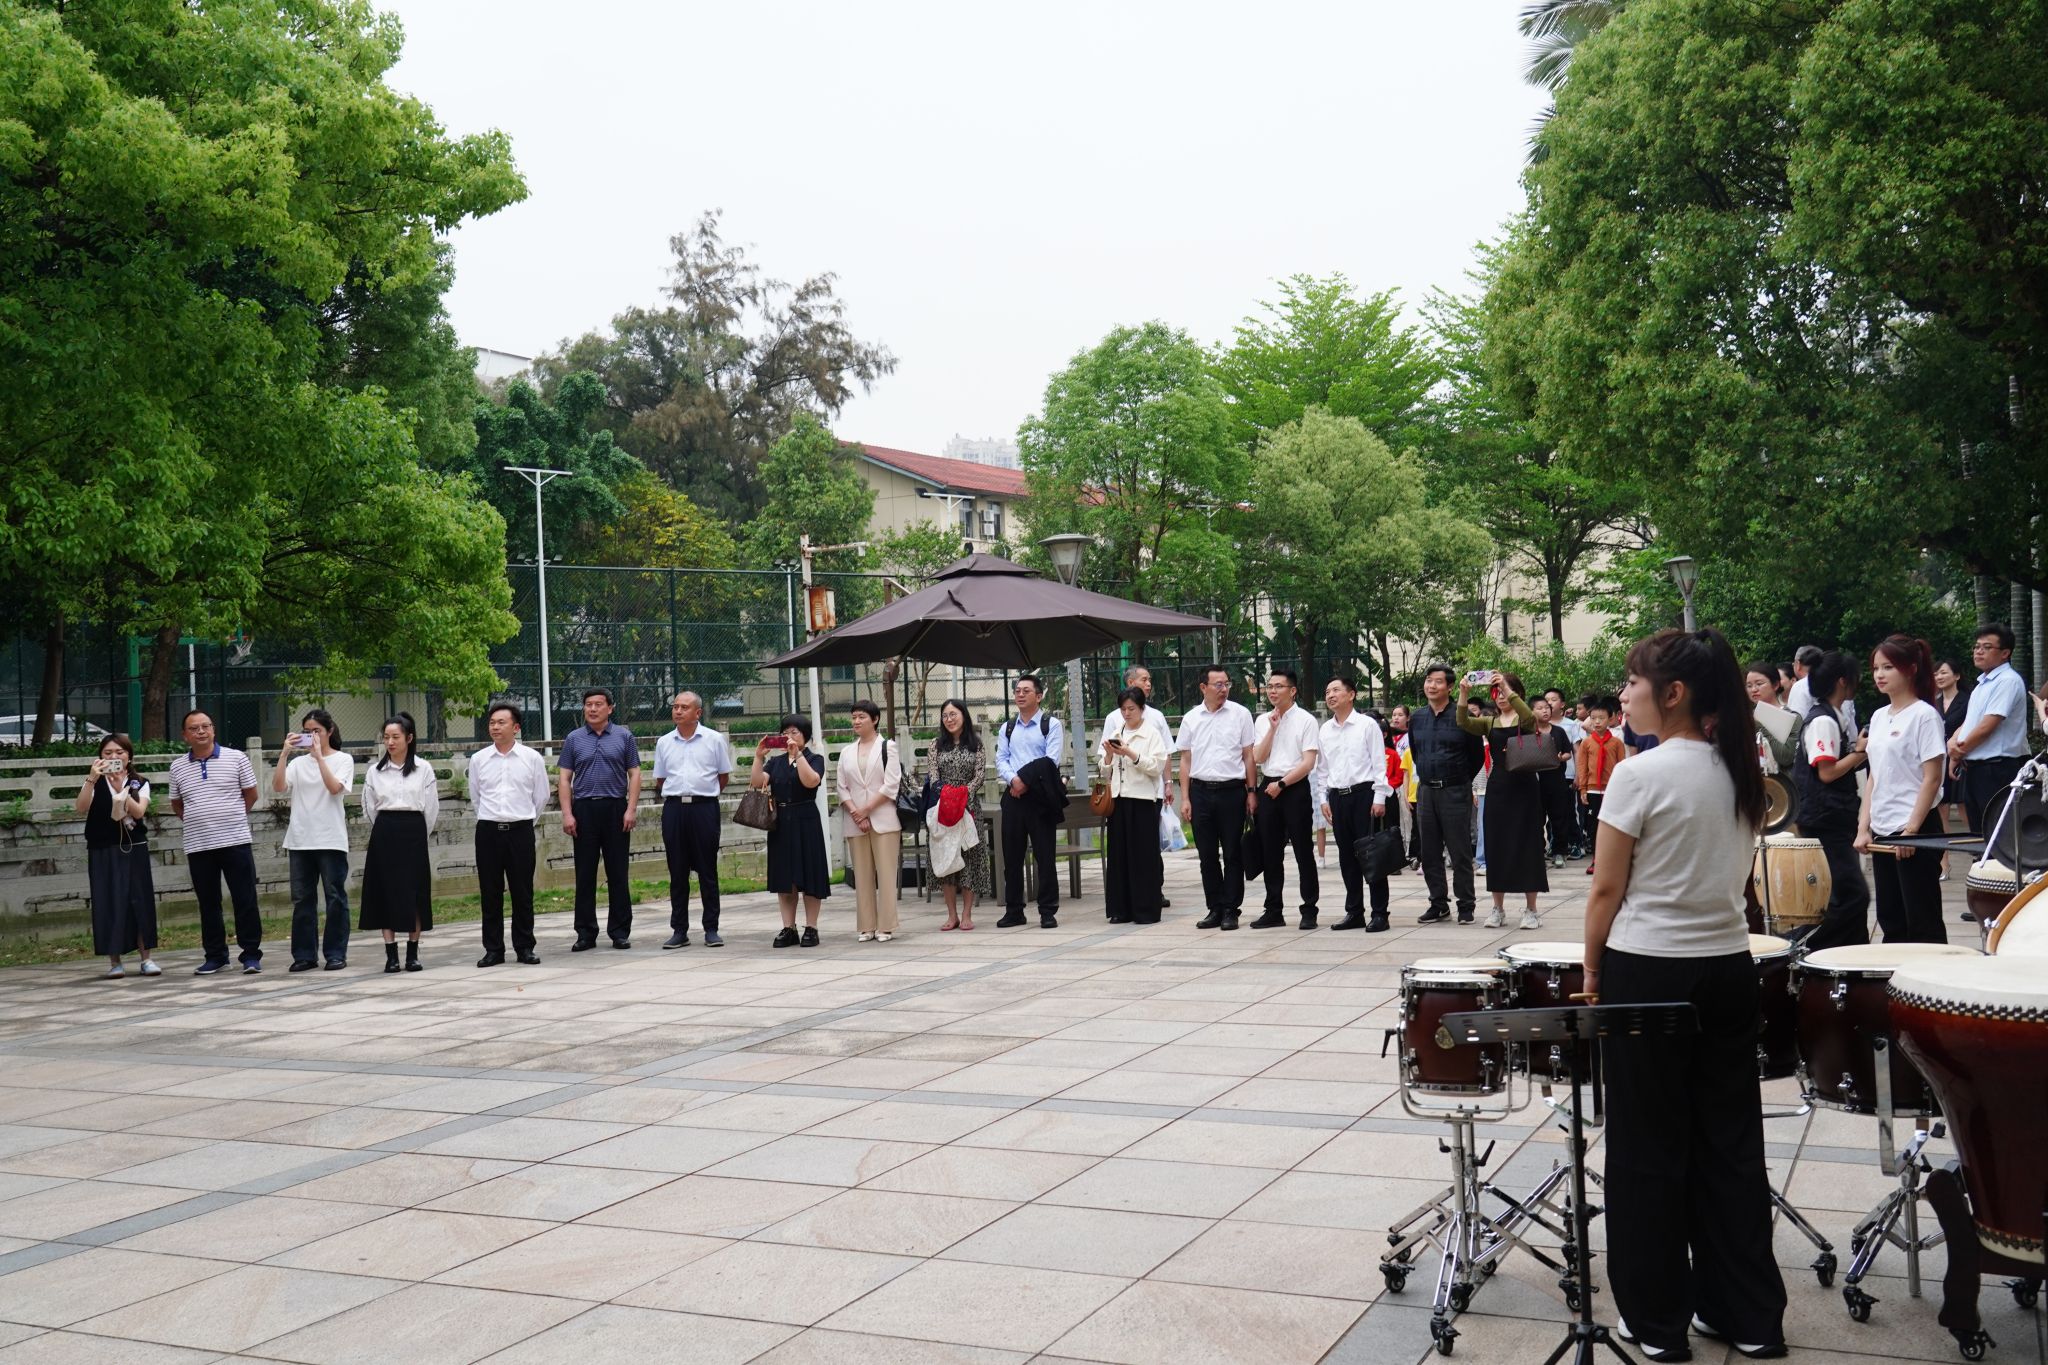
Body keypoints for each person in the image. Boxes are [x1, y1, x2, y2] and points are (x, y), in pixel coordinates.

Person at [1582, 626, 1787, 1361]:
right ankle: (1749, 1317)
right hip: (1728, 967)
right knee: (1729, 1142)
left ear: (1672, 694)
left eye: (1633, 682)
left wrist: (1592, 972)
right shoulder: (1743, 769)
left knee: (1647, 1146)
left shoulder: (1639, 773)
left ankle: (1657, 1321)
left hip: (1649, 971)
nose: (1624, 694)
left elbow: (1606, 889)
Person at [1857, 636, 1949, 944]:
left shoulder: (1925, 715)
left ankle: (1931, 974)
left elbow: (1932, 779)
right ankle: (1893, 974)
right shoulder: (1878, 717)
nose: (1879, 675)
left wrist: (1911, 831)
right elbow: (1875, 776)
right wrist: (1864, 827)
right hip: (1883, 830)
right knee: (1891, 919)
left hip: (1915, 829)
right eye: (1876, 668)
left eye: (1888, 667)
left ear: (1910, 669)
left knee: (1922, 921)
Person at [167, 710, 263, 974]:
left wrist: (229, 817)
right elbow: (177, 804)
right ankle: (216, 956)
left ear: (213, 729)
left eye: (205, 726)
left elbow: (251, 794)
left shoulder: (237, 758)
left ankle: (251, 955)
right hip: (198, 844)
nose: (201, 731)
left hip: (235, 840)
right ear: (185, 735)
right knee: (208, 903)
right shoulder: (177, 767)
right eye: (194, 728)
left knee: (245, 899)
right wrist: (200, 820)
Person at [1459, 671, 1548, 930]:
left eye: (1505, 691)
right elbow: (1463, 722)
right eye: (1496, 692)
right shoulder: (1490, 722)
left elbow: (1529, 717)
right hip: (1498, 786)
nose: (1500, 696)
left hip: (1525, 787)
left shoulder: (1524, 718)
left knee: (1529, 846)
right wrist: (1463, 693)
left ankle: (1532, 910)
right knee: (1496, 846)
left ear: (1517, 693)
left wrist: (1507, 688)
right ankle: (1497, 908)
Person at [1794, 651, 1871, 952]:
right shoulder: (1823, 721)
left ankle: (1852, 957)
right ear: (1842, 681)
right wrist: (1859, 753)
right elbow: (1826, 772)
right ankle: (1805, 948)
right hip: (1825, 818)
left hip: (1831, 816)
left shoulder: (1831, 716)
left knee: (1846, 894)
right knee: (1852, 895)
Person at [558, 687, 642, 951]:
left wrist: (631, 809)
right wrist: (567, 813)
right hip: (584, 810)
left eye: (598, 704)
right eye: (588, 704)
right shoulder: (574, 739)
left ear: (610, 708)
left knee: (618, 872)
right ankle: (585, 933)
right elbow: (564, 778)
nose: (592, 709)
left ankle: (619, 931)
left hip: (616, 809)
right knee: (584, 874)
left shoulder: (624, 736)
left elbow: (635, 773)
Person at [272, 707, 353, 972]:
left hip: (330, 839)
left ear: (329, 731)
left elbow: (334, 788)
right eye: (306, 732)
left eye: (316, 731)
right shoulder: (297, 764)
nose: (311, 736)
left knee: (335, 897)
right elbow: (278, 787)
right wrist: (284, 753)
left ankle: (335, 953)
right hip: (300, 839)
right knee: (302, 900)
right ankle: (304, 955)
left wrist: (319, 758)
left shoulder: (343, 759)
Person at [470, 700, 550, 967]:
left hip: (520, 831)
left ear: (515, 727)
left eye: (501, 722)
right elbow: (476, 797)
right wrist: (494, 819)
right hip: (488, 832)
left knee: (522, 892)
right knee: (489, 892)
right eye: (492, 722)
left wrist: (523, 820)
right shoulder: (479, 759)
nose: (495, 727)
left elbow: (541, 796)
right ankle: (493, 949)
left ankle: (525, 947)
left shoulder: (531, 758)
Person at [1177, 665, 1257, 930]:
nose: (1224, 689)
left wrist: (1251, 792)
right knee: (1207, 854)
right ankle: (1215, 907)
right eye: (1218, 685)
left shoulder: (1240, 714)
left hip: (1232, 791)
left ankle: (1231, 909)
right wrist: (1185, 798)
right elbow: (1185, 760)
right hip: (1200, 792)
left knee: (1233, 851)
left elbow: (1248, 756)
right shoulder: (1191, 718)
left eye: (1227, 684)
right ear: (1203, 687)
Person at [358, 713, 437, 972]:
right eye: (386, 737)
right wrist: (385, 828)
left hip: (414, 831)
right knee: (385, 891)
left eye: (396, 737)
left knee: (414, 891)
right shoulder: (375, 771)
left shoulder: (423, 768)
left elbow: (431, 808)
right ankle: (391, 955)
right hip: (385, 832)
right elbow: (369, 807)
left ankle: (412, 953)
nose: (390, 742)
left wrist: (419, 834)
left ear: (409, 738)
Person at [74, 734, 158, 978]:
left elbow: (139, 812)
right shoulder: (95, 782)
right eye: (108, 753)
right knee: (108, 901)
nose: (114, 757)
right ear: (100, 757)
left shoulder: (138, 782)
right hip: (102, 848)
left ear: (129, 756)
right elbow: (81, 807)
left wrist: (122, 789)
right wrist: (92, 778)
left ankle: (146, 959)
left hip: (134, 847)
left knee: (139, 900)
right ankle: (115, 962)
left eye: (119, 752)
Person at [652, 691, 731, 949]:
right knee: (677, 871)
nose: (678, 711)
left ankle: (711, 929)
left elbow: (723, 776)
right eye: (675, 706)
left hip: (704, 808)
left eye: (684, 707)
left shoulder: (714, 740)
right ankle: (679, 930)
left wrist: (703, 793)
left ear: (698, 712)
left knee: (707, 870)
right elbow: (660, 779)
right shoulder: (664, 742)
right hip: (674, 808)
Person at [1315, 676, 1393, 931]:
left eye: (1336, 690)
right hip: (1337, 797)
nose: (1330, 695)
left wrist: (1379, 797)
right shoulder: (1325, 730)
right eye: (1327, 691)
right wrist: (1323, 799)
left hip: (1364, 795)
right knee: (1347, 858)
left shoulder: (1366, 725)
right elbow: (1322, 769)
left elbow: (1379, 763)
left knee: (1372, 855)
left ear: (1351, 695)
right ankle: (1354, 912)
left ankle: (1379, 913)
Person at [1411, 666, 1485, 924]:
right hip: (1426, 791)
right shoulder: (1417, 718)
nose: (1431, 686)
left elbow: (1476, 756)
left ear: (1450, 687)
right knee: (1429, 851)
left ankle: (1466, 905)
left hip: (1455, 790)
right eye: (1428, 681)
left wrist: (1460, 780)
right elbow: (1416, 752)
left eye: (1438, 682)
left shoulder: (1462, 716)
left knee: (1459, 850)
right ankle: (1438, 903)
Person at [1250, 669, 1321, 929]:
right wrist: (1272, 728)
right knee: (1270, 851)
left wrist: (1282, 784)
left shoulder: (1306, 720)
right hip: (1268, 787)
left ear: (1292, 691)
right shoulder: (1262, 720)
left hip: (1294, 788)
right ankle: (1273, 910)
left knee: (1303, 850)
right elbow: (1258, 757)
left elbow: (1308, 762)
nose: (1272, 691)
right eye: (1270, 686)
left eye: (1279, 686)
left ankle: (1309, 909)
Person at [995, 676, 1065, 929]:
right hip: (1013, 797)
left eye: (1026, 690)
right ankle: (1014, 910)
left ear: (1039, 695)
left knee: (1045, 856)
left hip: (1040, 798)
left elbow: (1050, 760)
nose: (1020, 695)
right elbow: (1001, 759)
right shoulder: (1007, 727)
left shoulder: (1051, 725)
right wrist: (1014, 780)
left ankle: (1047, 910)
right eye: (1017, 691)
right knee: (1012, 857)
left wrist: (1024, 780)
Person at [752, 714, 829, 946]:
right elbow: (758, 782)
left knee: (810, 874)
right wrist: (758, 757)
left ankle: (811, 927)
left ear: (805, 735)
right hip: (781, 822)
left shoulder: (814, 758)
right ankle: (789, 927)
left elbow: (811, 781)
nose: (789, 736)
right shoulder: (775, 762)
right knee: (785, 877)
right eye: (785, 732)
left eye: (794, 732)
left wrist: (798, 756)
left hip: (806, 820)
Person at [1949, 622, 2030, 836]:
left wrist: (1959, 750)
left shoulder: (2008, 681)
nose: (1979, 651)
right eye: (1976, 647)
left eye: (1986, 647)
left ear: (2005, 653)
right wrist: (1954, 742)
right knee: (1979, 834)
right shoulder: (1982, 683)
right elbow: (1971, 721)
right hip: (1975, 768)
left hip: (1997, 769)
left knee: (1998, 835)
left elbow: (1987, 726)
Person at [1100, 686, 1168, 924]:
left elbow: (1156, 767)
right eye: (1123, 709)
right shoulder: (1116, 731)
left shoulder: (1151, 734)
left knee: (1143, 857)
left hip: (1142, 800)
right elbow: (1104, 771)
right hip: (1118, 800)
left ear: (1141, 709)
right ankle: (1121, 909)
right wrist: (1109, 756)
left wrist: (1130, 753)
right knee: (1119, 856)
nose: (1127, 714)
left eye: (1131, 709)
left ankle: (1145, 910)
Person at [838, 699, 903, 942]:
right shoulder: (846, 752)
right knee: (862, 876)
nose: (856, 721)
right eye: (854, 717)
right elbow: (841, 787)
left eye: (861, 717)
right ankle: (866, 926)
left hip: (883, 819)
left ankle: (886, 925)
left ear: (874, 719)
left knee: (886, 875)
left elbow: (891, 784)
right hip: (855, 820)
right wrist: (857, 813)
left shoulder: (888, 747)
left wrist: (866, 810)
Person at [925, 699, 990, 930]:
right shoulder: (936, 745)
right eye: (945, 715)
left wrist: (962, 795)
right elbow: (933, 776)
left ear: (963, 715)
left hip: (968, 807)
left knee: (969, 858)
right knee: (946, 858)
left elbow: (979, 776)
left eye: (953, 714)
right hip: (943, 808)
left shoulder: (976, 744)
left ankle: (967, 914)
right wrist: (948, 795)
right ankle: (951, 915)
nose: (949, 719)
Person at [1116, 666, 1174, 907]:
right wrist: (1108, 756)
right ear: (1130, 682)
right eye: (1144, 679)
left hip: (1149, 793)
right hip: (1120, 794)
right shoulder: (1114, 721)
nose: (1149, 683)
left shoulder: (1155, 719)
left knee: (1147, 848)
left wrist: (1168, 783)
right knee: (1122, 850)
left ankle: (1152, 893)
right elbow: (1104, 762)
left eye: (1150, 679)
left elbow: (1165, 756)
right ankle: (1124, 902)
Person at [1575, 698, 1628, 877]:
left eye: (1601, 718)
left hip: (1611, 788)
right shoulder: (1587, 743)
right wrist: (1583, 788)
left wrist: (1621, 789)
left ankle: (1612, 860)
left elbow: (1621, 766)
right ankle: (1597, 859)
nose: (1597, 722)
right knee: (1593, 826)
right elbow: (1582, 766)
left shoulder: (1616, 743)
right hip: (1592, 789)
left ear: (1610, 718)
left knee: (1612, 824)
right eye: (1593, 718)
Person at [1931, 658, 1969, 883]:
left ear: (1957, 676)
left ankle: (1980, 855)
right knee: (1941, 811)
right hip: (1939, 760)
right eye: (1936, 673)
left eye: (1944, 672)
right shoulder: (1932, 703)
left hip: (1961, 759)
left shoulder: (1967, 700)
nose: (1939, 677)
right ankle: (1943, 864)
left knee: (1965, 808)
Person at [1532, 697, 1578, 869]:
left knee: (1559, 817)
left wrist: (1560, 758)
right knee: (1536, 818)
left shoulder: (1559, 731)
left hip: (1556, 779)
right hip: (1535, 780)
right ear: (1531, 712)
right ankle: (1538, 853)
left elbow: (1568, 753)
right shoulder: (1529, 732)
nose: (1545, 711)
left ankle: (1559, 852)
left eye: (1547, 707)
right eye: (1540, 708)